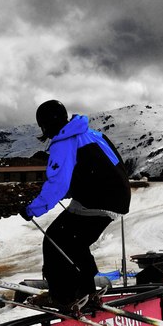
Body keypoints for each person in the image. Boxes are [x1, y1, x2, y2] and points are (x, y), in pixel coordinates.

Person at [21, 100, 131, 313]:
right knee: (75, 242)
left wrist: (31, 209)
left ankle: (62, 297)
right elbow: (112, 164)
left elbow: (57, 184)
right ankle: (87, 291)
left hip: (96, 200)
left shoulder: (64, 142)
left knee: (55, 241)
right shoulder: (92, 134)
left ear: (45, 125)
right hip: (115, 198)